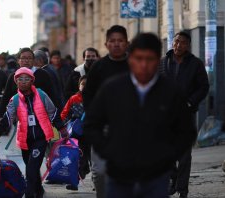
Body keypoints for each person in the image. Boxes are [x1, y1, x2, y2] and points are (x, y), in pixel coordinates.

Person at [84, 33, 197, 198]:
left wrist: (166, 158)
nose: (144, 65)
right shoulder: (113, 89)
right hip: (119, 174)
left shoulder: (170, 92)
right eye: (139, 58)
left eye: (149, 59)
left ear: (158, 61)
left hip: (155, 177)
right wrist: (109, 151)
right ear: (130, 59)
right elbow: (92, 124)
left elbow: (186, 131)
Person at [0, 67, 66, 198]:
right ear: (16, 82)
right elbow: (7, 118)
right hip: (25, 140)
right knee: (31, 167)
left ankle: (29, 194)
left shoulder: (41, 95)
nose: (23, 82)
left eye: (27, 79)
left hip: (41, 138)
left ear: (32, 81)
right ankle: (39, 190)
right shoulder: (15, 100)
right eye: (20, 79)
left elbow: (53, 113)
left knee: (31, 169)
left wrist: (62, 129)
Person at [160, 31, 209, 198]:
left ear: (188, 45)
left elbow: (203, 87)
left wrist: (190, 102)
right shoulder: (163, 63)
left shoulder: (195, 64)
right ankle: (172, 179)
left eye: (182, 42)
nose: (177, 45)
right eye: (175, 42)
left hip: (186, 115)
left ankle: (182, 190)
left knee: (184, 155)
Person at [82, 25, 130, 197]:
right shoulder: (99, 67)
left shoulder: (136, 65)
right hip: (103, 128)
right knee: (100, 172)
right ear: (106, 44)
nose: (116, 44)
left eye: (120, 41)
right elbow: (88, 97)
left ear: (127, 43)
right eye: (112, 41)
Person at [0, 48, 61, 120]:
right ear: (18, 60)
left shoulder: (42, 74)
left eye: (29, 58)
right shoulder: (13, 76)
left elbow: (53, 95)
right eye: (23, 58)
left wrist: (58, 116)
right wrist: (1, 116)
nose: (26, 61)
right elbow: (6, 97)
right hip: (19, 118)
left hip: (41, 117)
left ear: (34, 60)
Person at [60, 75, 87, 191]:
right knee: (79, 157)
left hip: (92, 132)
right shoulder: (74, 98)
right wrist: (61, 126)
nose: (85, 87)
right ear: (79, 85)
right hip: (77, 132)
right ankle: (75, 180)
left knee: (89, 158)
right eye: (83, 84)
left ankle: (90, 175)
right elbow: (64, 113)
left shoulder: (97, 98)